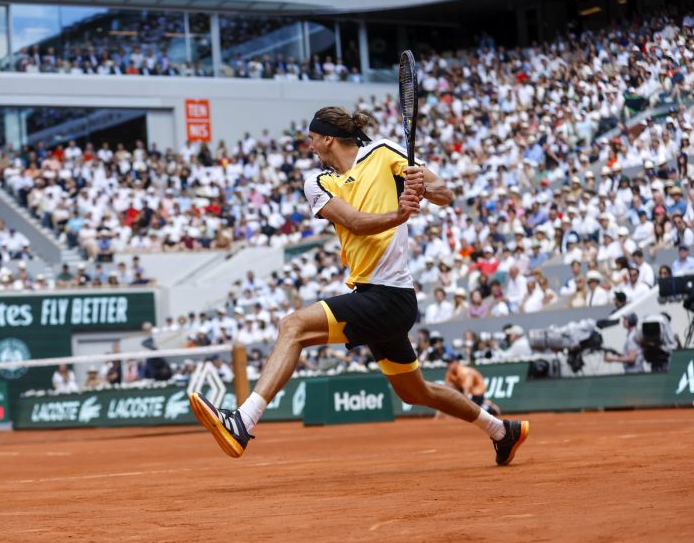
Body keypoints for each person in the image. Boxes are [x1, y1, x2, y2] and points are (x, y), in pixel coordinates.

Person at [189, 106, 529, 464]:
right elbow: (354, 222)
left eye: (312, 139)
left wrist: (422, 186)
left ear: (327, 138)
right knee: (416, 391)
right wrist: (398, 214)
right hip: (373, 298)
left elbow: (445, 193)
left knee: (293, 326)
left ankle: (242, 421)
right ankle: (502, 431)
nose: (310, 147)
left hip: (390, 297)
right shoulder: (319, 183)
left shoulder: (383, 152)